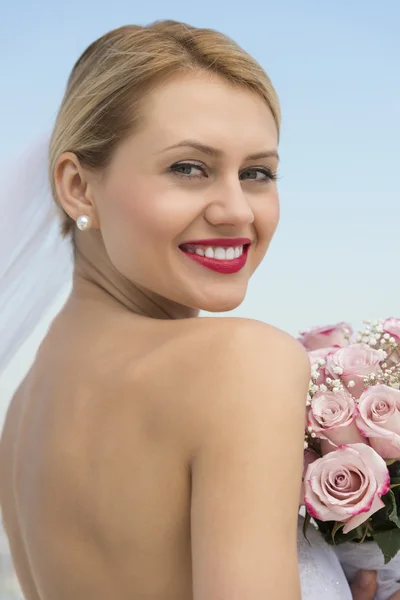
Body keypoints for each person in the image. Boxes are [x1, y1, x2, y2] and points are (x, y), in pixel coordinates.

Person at [0, 20, 397, 600]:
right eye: (188, 168)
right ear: (79, 187)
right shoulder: (242, 363)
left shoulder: (24, 410)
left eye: (257, 172)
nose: (237, 210)